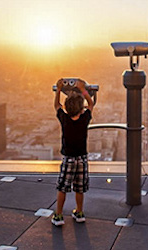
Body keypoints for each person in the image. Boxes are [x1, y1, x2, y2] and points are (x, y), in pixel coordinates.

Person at [51, 78, 94, 226]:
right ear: (81, 109)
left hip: (68, 159)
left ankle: (58, 215)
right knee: (79, 188)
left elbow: (57, 105)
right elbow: (91, 104)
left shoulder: (64, 118)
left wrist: (58, 90)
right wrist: (83, 89)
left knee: (63, 187)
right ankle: (80, 212)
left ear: (66, 108)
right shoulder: (84, 118)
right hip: (82, 159)